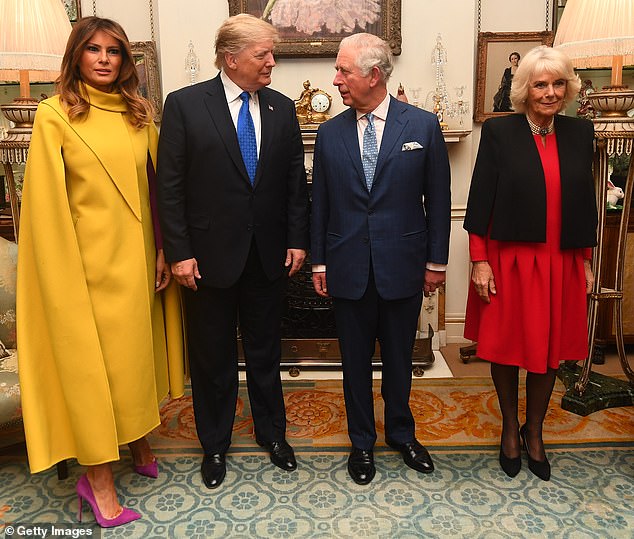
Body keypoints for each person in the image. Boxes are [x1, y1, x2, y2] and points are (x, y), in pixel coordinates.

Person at [17, 16, 184, 527]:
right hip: (83, 268)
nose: (105, 59)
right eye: (93, 50)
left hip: (135, 262)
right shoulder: (54, 116)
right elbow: (43, 208)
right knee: (95, 370)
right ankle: (99, 481)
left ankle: (137, 440)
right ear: (76, 57)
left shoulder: (138, 114)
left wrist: (161, 249)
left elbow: (157, 190)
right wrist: (61, 276)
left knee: (133, 358)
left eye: (114, 50)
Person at [156, 14, 309, 490]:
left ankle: (273, 435)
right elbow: (170, 187)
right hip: (205, 259)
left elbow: (293, 186)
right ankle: (215, 444)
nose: (272, 62)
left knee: (266, 354)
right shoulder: (184, 106)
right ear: (231, 58)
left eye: (271, 53)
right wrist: (179, 252)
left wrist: (298, 239)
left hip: (266, 257)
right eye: (263, 54)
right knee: (212, 359)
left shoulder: (283, 109)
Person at [311, 33, 451, 485]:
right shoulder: (330, 132)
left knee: (398, 359)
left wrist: (436, 263)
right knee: (353, 363)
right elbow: (321, 205)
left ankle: (401, 434)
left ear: (374, 75)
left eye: (343, 71)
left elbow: (440, 200)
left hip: (403, 266)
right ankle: (362, 443)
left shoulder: (423, 126)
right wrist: (319, 263)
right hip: (347, 266)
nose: (335, 80)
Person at [463, 45, 597, 481]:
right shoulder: (501, 134)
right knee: (507, 346)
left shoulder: (581, 133)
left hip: (561, 260)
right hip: (511, 260)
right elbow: (480, 202)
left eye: (558, 83)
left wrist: (587, 262)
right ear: (525, 89)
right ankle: (508, 425)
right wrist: (480, 262)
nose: (550, 92)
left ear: (569, 87)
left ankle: (534, 431)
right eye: (540, 84)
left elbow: (584, 204)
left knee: (551, 349)